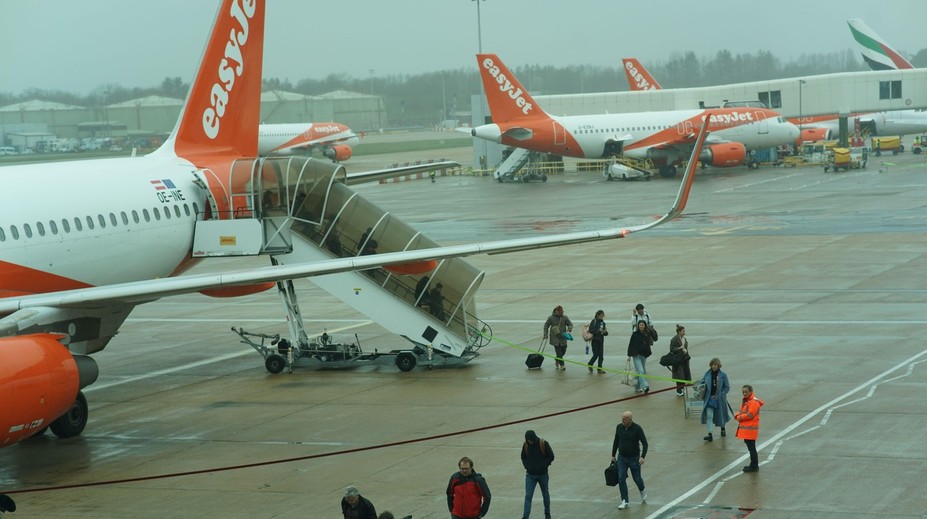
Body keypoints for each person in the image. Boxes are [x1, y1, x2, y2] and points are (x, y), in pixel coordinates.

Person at [610, 411, 648, 511]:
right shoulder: (619, 427)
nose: (622, 420)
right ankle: (625, 501)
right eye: (622, 418)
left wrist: (642, 457)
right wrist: (613, 455)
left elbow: (645, 443)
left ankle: (642, 489)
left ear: (630, 419)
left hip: (634, 458)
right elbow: (616, 441)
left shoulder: (637, 429)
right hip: (622, 457)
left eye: (624, 419)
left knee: (637, 478)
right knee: (621, 478)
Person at [521, 429, 555, 519]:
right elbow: (523, 457)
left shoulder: (543, 443)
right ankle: (525, 516)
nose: (530, 441)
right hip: (530, 476)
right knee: (528, 496)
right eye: (528, 440)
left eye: (531, 439)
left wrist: (544, 465)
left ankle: (547, 514)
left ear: (534, 437)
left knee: (545, 494)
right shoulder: (525, 445)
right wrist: (527, 466)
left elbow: (551, 456)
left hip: (542, 475)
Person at [699, 357, 731, 442]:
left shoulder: (723, 375)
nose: (714, 366)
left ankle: (722, 428)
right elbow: (701, 382)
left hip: (719, 399)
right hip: (709, 398)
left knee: (721, 415)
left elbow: (727, 387)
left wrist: (722, 394)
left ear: (718, 365)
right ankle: (710, 434)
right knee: (709, 416)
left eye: (715, 365)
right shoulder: (707, 374)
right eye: (713, 365)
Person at [735, 385, 764, 473]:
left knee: (752, 448)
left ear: (750, 392)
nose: (744, 394)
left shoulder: (753, 402)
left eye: (746, 392)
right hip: (748, 430)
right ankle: (753, 464)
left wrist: (739, 417)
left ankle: (754, 465)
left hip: (750, 429)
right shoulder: (749, 401)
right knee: (751, 448)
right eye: (743, 392)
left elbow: (750, 415)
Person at [543, 305, 573, 370]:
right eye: (559, 312)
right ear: (556, 311)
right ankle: (562, 365)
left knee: (563, 351)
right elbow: (546, 326)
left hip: (563, 337)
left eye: (561, 312)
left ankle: (557, 359)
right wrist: (545, 334)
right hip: (555, 338)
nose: (560, 313)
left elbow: (570, 324)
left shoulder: (564, 317)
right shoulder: (551, 318)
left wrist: (569, 329)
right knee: (559, 352)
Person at [626, 320, 653, 394]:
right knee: (641, 371)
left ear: (645, 326)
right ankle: (645, 386)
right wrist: (629, 355)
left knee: (641, 371)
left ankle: (637, 387)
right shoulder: (635, 334)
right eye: (640, 325)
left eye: (643, 325)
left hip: (644, 355)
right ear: (638, 326)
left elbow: (653, 340)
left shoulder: (647, 334)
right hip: (636, 355)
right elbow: (630, 344)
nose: (641, 326)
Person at [669, 324, 691, 396]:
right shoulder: (674, 339)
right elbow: (671, 349)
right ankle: (678, 390)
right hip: (678, 360)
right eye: (683, 331)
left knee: (685, 374)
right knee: (679, 375)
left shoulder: (684, 339)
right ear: (679, 332)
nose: (684, 332)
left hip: (685, 359)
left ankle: (682, 388)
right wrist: (679, 348)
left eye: (684, 331)